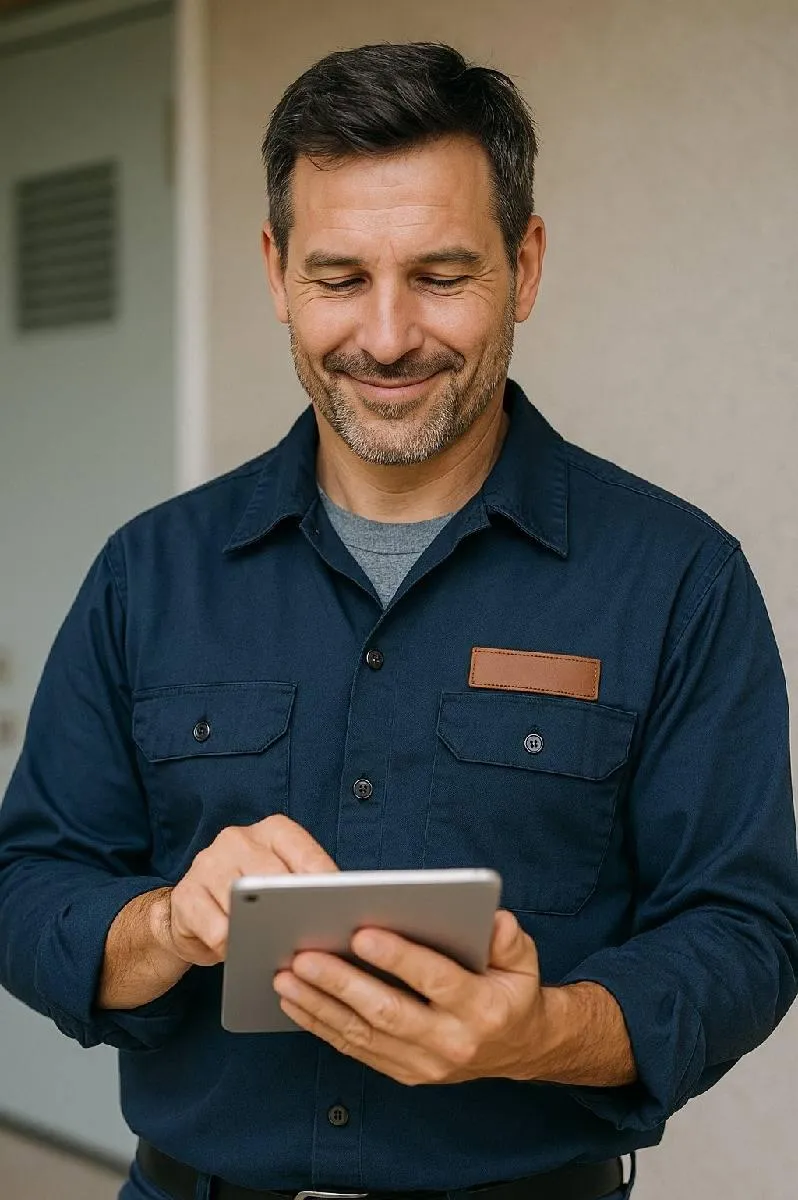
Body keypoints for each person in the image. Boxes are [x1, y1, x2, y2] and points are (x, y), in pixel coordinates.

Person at [0, 40, 796, 1200]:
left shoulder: (680, 579)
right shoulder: (148, 574)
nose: (384, 337)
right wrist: (166, 923)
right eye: (338, 279)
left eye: (439, 274)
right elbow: (28, 886)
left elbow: (743, 931)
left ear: (524, 266)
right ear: (275, 272)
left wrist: (541, 1031)